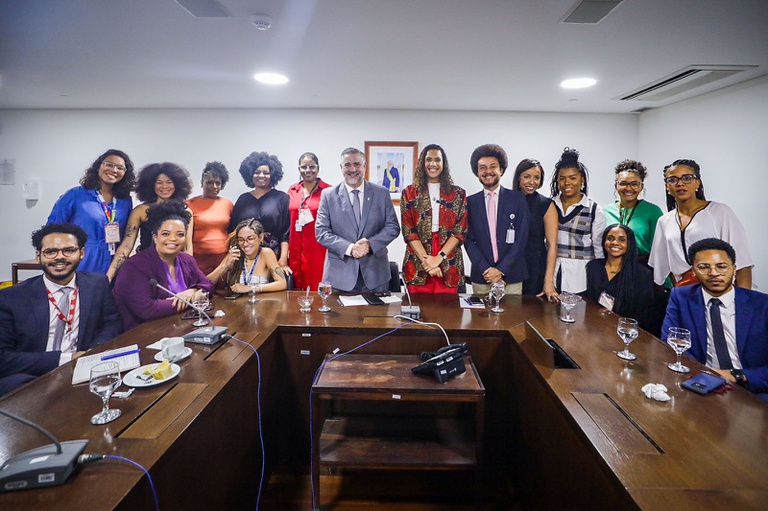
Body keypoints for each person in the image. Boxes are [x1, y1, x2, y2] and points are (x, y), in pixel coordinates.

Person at [0, 223, 122, 396]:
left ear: (81, 253)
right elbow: (3, 357)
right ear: (38, 256)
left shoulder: (97, 284)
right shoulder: (11, 298)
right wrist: (65, 359)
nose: (60, 257)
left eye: (69, 250)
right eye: (51, 252)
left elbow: (112, 322)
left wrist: (91, 353)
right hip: (35, 375)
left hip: (85, 370)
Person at [661, 238, 768, 402]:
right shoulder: (681, 297)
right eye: (704, 267)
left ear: (734, 269)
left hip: (754, 388)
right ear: (694, 271)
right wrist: (703, 374)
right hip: (702, 385)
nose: (713, 273)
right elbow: (670, 341)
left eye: (721, 266)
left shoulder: (762, 305)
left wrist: (736, 375)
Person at [649, 159, 753, 289]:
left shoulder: (719, 211)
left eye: (687, 178)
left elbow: (743, 262)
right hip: (686, 291)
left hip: (721, 288)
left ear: (697, 182)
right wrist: (679, 291)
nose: (680, 183)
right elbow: (664, 265)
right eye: (673, 180)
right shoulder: (664, 221)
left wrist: (745, 301)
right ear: (667, 186)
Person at [112, 201, 214, 331]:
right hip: (144, 335)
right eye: (166, 234)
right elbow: (147, 309)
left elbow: (208, 285)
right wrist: (192, 300)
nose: (173, 239)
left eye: (180, 234)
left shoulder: (187, 260)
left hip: (182, 328)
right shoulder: (134, 266)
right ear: (155, 237)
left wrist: (192, 291)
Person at [315, 147, 400, 293]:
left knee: (377, 316)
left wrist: (370, 244)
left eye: (357, 164)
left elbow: (393, 227)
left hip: (376, 276)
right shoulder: (328, 195)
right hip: (340, 277)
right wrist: (350, 248)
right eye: (347, 165)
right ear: (341, 168)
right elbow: (321, 232)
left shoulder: (381, 193)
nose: (352, 169)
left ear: (364, 167)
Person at [47, 149, 136, 274]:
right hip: (83, 261)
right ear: (98, 166)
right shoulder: (75, 195)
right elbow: (52, 230)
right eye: (109, 164)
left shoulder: (125, 201)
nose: (114, 170)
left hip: (114, 263)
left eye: (120, 168)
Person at [106, 162, 194, 281]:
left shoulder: (186, 211)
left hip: (174, 269)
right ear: (151, 185)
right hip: (146, 267)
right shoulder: (140, 211)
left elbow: (187, 247)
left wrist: (188, 275)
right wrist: (109, 277)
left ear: (177, 184)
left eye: (169, 182)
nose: (164, 186)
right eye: (159, 182)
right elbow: (126, 246)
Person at [400, 144, 467, 294]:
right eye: (429, 159)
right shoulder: (409, 193)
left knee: (448, 312)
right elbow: (409, 231)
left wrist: (439, 258)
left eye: (437, 160)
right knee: (417, 311)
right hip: (418, 258)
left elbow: (459, 231)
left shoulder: (458, 194)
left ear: (444, 163)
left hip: (448, 259)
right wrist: (428, 262)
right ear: (422, 163)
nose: (433, 164)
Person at [464, 144, 529, 295]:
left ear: (501, 169)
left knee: (513, 319)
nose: (487, 171)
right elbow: (467, 240)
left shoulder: (517, 199)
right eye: (482, 167)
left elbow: (521, 239)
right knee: (481, 318)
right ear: (477, 172)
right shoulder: (469, 203)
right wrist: (487, 270)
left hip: (511, 277)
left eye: (493, 166)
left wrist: (501, 270)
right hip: (482, 277)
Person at [549, 147, 606, 294]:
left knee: (578, 314)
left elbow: (599, 247)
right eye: (562, 178)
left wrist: (599, 276)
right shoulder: (550, 205)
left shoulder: (594, 210)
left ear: (582, 180)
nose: (567, 182)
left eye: (572, 178)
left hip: (581, 276)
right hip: (551, 271)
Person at [585, 224, 660, 335]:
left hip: (624, 334)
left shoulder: (642, 275)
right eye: (610, 238)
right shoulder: (593, 267)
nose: (615, 242)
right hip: (591, 329)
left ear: (630, 244)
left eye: (622, 240)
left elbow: (644, 316)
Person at [229, 151, 291, 273]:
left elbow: (286, 232)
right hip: (246, 256)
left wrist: (283, 258)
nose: (261, 175)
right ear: (250, 175)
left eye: (266, 173)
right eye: (257, 172)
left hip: (274, 256)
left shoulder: (282, 198)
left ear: (272, 175)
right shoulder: (243, 199)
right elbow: (233, 232)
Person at [511, 158, 558, 301]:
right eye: (527, 177)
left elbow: (552, 245)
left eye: (536, 178)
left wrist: (548, 282)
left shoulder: (546, 204)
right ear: (518, 178)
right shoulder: (508, 200)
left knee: (533, 313)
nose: (532, 182)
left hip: (535, 265)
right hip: (510, 264)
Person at [602, 159, 663, 264]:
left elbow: (659, 250)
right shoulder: (605, 212)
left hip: (642, 268)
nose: (628, 188)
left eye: (634, 184)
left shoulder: (653, 212)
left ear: (641, 186)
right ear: (616, 185)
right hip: (611, 267)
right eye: (623, 183)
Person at [287, 152, 331, 290]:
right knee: (295, 290)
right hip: (295, 249)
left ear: (318, 168)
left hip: (318, 249)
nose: (308, 171)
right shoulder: (292, 190)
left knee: (317, 287)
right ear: (299, 169)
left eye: (312, 167)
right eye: (304, 167)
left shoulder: (328, 191)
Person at [208, 219, 287, 295]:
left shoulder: (266, 253)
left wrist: (251, 288)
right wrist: (225, 266)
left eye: (250, 238)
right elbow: (206, 283)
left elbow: (282, 283)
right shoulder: (234, 254)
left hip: (261, 304)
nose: (245, 244)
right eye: (241, 240)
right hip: (238, 305)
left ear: (260, 237)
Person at [187, 161, 234, 276]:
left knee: (223, 293)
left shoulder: (228, 204)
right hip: (199, 261)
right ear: (202, 183)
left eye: (218, 183)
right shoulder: (189, 204)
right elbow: (185, 239)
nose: (214, 186)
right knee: (200, 291)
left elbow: (233, 233)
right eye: (209, 182)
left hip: (223, 260)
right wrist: (189, 262)